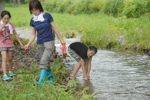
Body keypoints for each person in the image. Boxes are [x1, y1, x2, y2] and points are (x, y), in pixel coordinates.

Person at [25, 0, 64, 85]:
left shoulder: (47, 16)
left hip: (49, 42)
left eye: (35, 10)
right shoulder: (33, 20)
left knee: (43, 62)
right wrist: (28, 44)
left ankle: (40, 82)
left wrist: (61, 40)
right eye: (32, 10)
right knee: (45, 62)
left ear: (39, 8)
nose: (34, 12)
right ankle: (51, 78)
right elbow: (33, 35)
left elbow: (55, 28)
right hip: (40, 43)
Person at [0, 10, 23, 81]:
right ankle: (4, 74)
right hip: (2, 44)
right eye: (5, 18)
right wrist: (1, 27)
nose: (6, 20)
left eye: (8, 18)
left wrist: (21, 44)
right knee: (4, 59)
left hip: (10, 44)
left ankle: (10, 71)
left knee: (10, 59)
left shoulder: (11, 25)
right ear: (1, 17)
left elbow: (15, 34)